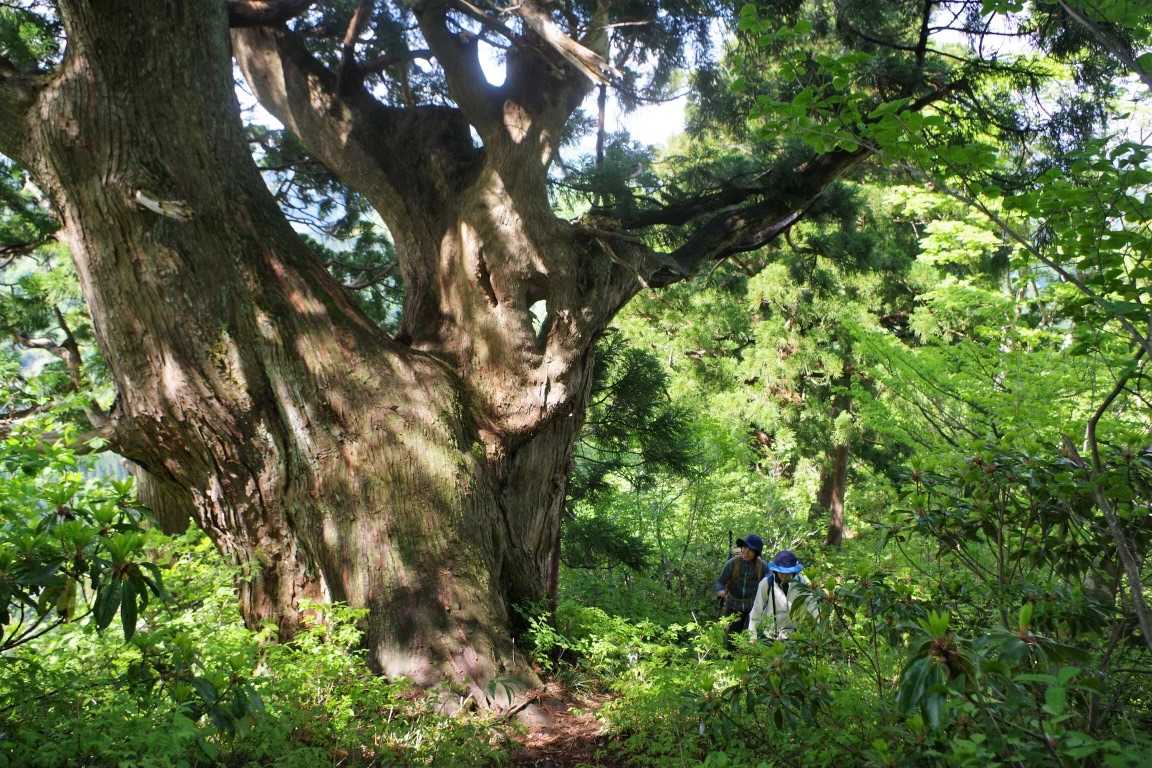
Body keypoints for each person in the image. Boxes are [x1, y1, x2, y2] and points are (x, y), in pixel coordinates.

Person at [748, 549, 814, 642]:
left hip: (796, 636)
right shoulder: (766, 583)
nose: (783, 575)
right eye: (780, 571)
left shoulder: (803, 582)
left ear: (793, 571)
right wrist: (752, 636)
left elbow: (812, 605)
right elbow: (756, 610)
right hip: (771, 636)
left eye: (787, 572)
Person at [714, 534, 765, 641]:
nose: (746, 551)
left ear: (756, 553)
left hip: (752, 608)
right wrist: (720, 590)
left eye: (750, 550)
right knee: (731, 638)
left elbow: (770, 582)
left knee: (749, 639)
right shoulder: (732, 563)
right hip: (733, 606)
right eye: (744, 547)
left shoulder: (762, 566)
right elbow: (720, 582)